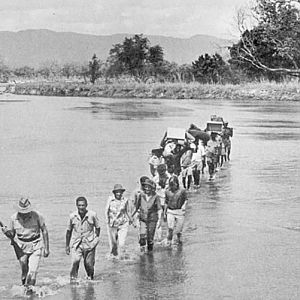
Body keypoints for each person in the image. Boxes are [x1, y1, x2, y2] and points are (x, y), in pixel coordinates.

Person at [1, 198, 50, 289]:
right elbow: (12, 235)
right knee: (24, 272)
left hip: (36, 244)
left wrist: (46, 248)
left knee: (32, 272)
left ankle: (30, 292)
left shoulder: (37, 216)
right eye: (22, 211)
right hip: (20, 246)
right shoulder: (13, 218)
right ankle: (24, 287)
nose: (24, 213)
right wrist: (5, 232)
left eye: (26, 211)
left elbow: (44, 230)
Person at [66, 196, 100, 281]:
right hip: (76, 243)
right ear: (76, 205)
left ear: (86, 205)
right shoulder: (72, 216)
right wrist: (67, 246)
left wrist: (94, 239)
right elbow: (68, 231)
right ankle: (73, 280)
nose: (81, 207)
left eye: (83, 205)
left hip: (89, 242)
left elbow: (98, 228)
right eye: (79, 205)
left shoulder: (92, 215)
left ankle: (90, 278)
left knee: (88, 264)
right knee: (75, 261)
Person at [132, 178, 162, 252]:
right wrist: (131, 216)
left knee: (150, 239)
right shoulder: (141, 196)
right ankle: (142, 253)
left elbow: (159, 209)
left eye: (149, 187)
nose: (147, 189)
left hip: (152, 220)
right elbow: (136, 207)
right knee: (142, 236)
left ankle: (150, 254)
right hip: (143, 219)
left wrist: (160, 220)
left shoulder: (156, 197)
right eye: (146, 187)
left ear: (152, 188)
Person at [105, 184, 132, 258]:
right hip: (112, 225)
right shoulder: (110, 199)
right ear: (114, 193)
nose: (119, 193)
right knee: (113, 245)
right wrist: (107, 221)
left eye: (120, 192)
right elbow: (106, 210)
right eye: (117, 192)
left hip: (123, 224)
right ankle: (113, 257)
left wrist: (131, 219)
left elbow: (127, 211)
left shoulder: (125, 200)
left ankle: (121, 257)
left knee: (121, 243)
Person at [164, 176, 188, 246]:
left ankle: (179, 243)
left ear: (177, 183)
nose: (172, 186)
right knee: (170, 228)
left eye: (173, 184)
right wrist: (164, 213)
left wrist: (184, 205)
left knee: (179, 231)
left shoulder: (182, 190)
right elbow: (166, 202)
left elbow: (186, 199)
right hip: (170, 211)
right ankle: (169, 243)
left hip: (179, 211)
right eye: (170, 184)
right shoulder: (167, 191)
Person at [153, 164, 171, 241]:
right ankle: (159, 238)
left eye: (163, 171)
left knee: (168, 220)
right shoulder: (154, 179)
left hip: (168, 202)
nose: (162, 173)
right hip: (158, 202)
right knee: (158, 221)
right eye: (160, 172)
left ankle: (168, 238)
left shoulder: (170, 178)